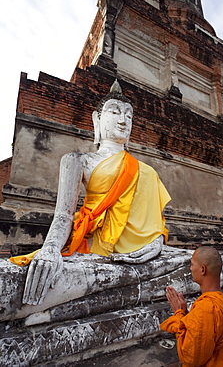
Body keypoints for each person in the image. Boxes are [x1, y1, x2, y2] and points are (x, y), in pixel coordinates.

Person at [11, 80, 171, 306]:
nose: (123, 120)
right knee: (13, 282)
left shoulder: (146, 171)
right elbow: (64, 215)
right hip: (93, 246)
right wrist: (50, 249)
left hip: (138, 252)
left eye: (129, 115)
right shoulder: (78, 160)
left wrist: (156, 243)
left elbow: (153, 222)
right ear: (98, 119)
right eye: (115, 112)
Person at [160, 246, 223, 366]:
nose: (191, 268)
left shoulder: (206, 307)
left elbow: (191, 357)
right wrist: (186, 316)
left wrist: (178, 314)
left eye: (192, 264)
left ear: (203, 269)